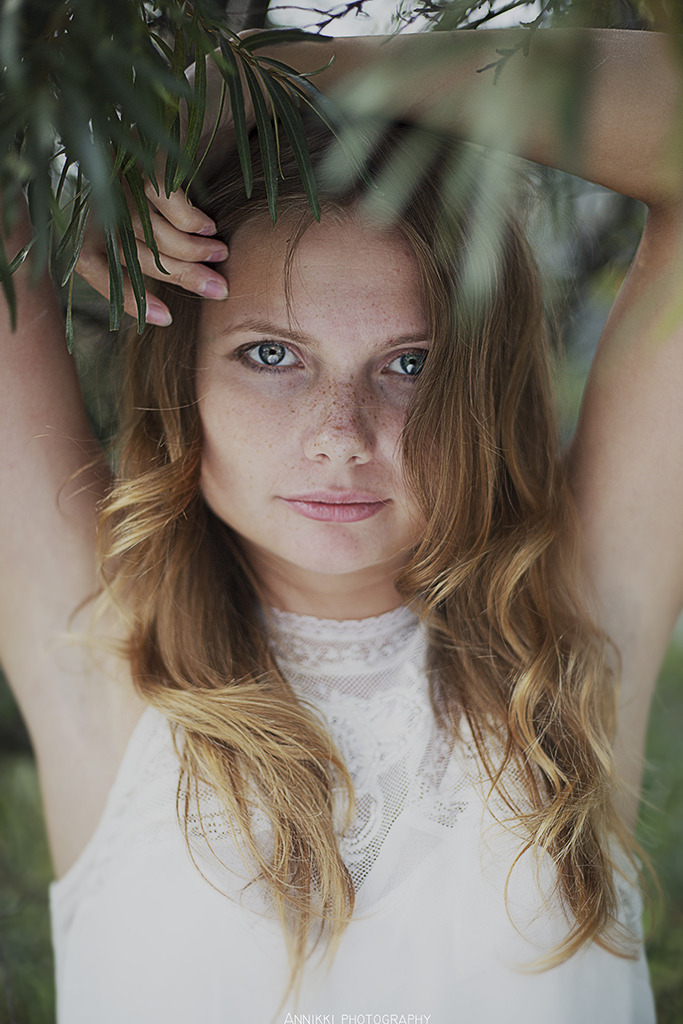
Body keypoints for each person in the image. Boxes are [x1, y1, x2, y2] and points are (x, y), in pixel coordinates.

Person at [1, 24, 681, 1024]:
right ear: (181, 377)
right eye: (272, 356)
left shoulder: (574, 646)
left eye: (408, 364)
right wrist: (84, 191)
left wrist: (284, 73)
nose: (341, 436)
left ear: (476, 390)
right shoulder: (98, 653)